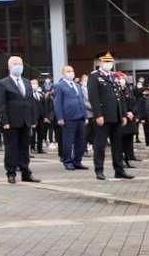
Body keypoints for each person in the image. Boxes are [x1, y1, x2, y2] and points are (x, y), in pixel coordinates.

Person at [88, 52, 134, 181]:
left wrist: (123, 114)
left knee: (117, 145)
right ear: (100, 63)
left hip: (116, 116)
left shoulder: (114, 77)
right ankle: (99, 170)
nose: (109, 64)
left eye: (110, 62)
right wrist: (98, 115)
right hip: (103, 116)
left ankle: (119, 170)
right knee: (100, 145)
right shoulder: (95, 76)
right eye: (106, 62)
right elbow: (94, 98)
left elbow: (120, 98)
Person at [0, 56, 39, 184]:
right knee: (11, 148)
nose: (18, 65)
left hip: (25, 121)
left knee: (25, 148)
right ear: (9, 66)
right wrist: (5, 121)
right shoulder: (4, 83)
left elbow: (31, 102)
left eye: (20, 63)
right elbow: (1, 104)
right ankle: (11, 172)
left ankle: (26, 172)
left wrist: (33, 119)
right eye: (15, 63)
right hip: (11, 122)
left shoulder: (27, 82)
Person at [53, 65, 88, 170]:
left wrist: (85, 116)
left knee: (81, 140)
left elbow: (82, 101)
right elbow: (57, 102)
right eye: (68, 71)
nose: (70, 73)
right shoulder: (60, 86)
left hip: (80, 116)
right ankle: (67, 161)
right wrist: (60, 117)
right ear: (63, 73)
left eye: (72, 71)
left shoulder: (77, 85)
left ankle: (77, 160)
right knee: (68, 140)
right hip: (69, 117)